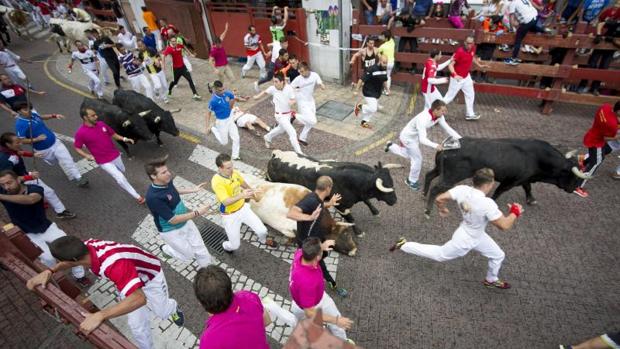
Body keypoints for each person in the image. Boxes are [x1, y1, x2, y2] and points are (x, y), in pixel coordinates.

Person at [26, 235, 184, 349]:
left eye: (60, 261)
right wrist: (50, 271)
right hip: (126, 278)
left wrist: (100, 315)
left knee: (162, 312)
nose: (61, 264)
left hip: (150, 277)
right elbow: (66, 263)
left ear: (74, 260)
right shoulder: (84, 246)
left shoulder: (113, 265)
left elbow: (139, 299)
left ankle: (173, 307)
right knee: (136, 325)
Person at [389, 168, 523, 289]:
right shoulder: (487, 204)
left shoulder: (462, 189)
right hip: (464, 240)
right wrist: (515, 212)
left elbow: (440, 198)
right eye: (493, 182)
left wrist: (443, 209)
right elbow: (504, 226)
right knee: (439, 255)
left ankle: (491, 279)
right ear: (488, 184)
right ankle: (404, 245)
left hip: (474, 233)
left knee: (498, 255)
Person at [0, 171, 86, 282]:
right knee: (48, 258)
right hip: (27, 234)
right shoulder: (4, 192)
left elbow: (30, 200)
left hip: (46, 227)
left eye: (9, 183)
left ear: (18, 180)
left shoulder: (34, 189)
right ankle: (58, 279)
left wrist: (2, 196)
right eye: (2, 185)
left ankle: (80, 276)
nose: (6, 187)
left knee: (70, 250)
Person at [194, 265, 297, 349]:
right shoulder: (249, 297)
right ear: (229, 288)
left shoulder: (209, 340)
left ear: (201, 303)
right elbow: (266, 320)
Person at [144, 157, 213, 268]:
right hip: (171, 230)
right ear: (153, 176)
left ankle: (209, 273)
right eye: (164, 172)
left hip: (186, 221)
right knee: (188, 255)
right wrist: (197, 213)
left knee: (201, 249)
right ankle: (167, 250)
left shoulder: (166, 180)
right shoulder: (153, 197)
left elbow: (173, 191)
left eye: (167, 170)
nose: (169, 174)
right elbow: (173, 220)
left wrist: (193, 189)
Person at [287, 176, 349, 297]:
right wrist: (309, 218)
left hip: (316, 236)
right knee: (321, 265)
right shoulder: (310, 200)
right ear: (328, 188)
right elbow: (291, 213)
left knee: (323, 255)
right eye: (331, 187)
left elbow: (319, 205)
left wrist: (329, 203)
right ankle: (333, 284)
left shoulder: (317, 198)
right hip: (309, 244)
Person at [289, 237, 354, 342]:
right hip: (315, 302)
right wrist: (336, 320)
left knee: (299, 322)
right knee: (337, 325)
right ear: (317, 257)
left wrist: (321, 247)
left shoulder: (300, 253)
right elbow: (310, 312)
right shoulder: (308, 281)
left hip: (297, 303)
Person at [385, 99, 460, 190]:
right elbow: (423, 139)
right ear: (435, 110)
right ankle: (411, 181)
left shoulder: (439, 116)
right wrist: (435, 145)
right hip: (408, 138)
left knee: (407, 154)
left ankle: (391, 146)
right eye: (443, 111)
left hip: (414, 137)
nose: (445, 113)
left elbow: (448, 129)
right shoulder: (423, 119)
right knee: (417, 159)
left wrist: (461, 139)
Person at [211, 153, 278, 253]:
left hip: (243, 208)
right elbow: (225, 202)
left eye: (232, 166)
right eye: (228, 168)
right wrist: (242, 195)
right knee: (235, 246)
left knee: (262, 231)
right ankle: (226, 246)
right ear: (220, 168)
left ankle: (263, 241)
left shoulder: (234, 173)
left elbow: (242, 182)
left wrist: (252, 190)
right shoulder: (217, 182)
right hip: (229, 215)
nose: (232, 169)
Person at [74, 108, 143, 203]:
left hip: (115, 155)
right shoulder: (80, 133)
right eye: (93, 116)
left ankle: (123, 180)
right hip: (103, 161)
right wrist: (86, 155)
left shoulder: (101, 124)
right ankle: (138, 197)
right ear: (85, 117)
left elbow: (113, 134)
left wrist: (125, 139)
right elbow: (77, 147)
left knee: (122, 170)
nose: (96, 117)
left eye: (95, 114)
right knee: (120, 178)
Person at [0, 132, 75, 219]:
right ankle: (59, 212)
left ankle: (60, 211)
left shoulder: (8, 149)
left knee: (47, 192)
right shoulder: (5, 160)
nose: (20, 144)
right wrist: (29, 177)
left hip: (24, 175)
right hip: (19, 182)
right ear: (8, 144)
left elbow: (19, 152)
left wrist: (32, 154)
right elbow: (10, 179)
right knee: (44, 194)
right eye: (17, 142)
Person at [13, 101, 88, 187]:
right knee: (53, 161)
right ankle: (56, 161)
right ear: (19, 111)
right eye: (25, 110)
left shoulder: (33, 114)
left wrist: (54, 116)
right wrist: (36, 139)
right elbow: (21, 140)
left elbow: (41, 117)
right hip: (43, 149)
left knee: (68, 160)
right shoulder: (20, 124)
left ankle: (79, 178)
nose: (29, 111)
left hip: (55, 142)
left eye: (29, 108)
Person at [573, 101, 620, 198]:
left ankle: (582, 163)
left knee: (598, 157)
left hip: (591, 135)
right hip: (597, 142)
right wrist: (617, 137)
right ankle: (577, 186)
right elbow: (606, 138)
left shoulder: (605, 107)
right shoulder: (612, 125)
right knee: (596, 163)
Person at [577, 0, 620, 96]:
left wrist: (615, 41)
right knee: (592, 64)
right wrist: (599, 35)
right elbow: (601, 23)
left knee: (604, 67)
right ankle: (582, 85)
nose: (617, 6)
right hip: (604, 41)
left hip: (612, 46)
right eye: (616, 4)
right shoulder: (614, 15)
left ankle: (595, 88)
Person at [442, 36, 490, 120]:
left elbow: (472, 57)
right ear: (464, 42)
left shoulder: (473, 48)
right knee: (449, 97)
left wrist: (480, 65)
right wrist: (455, 74)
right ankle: (433, 111)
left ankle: (470, 114)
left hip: (466, 76)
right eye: (467, 43)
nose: (469, 45)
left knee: (470, 94)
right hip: (457, 78)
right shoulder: (459, 52)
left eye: (471, 43)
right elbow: (450, 65)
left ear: (473, 43)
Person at [254, 72, 304, 154]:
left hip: (287, 114)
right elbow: (265, 92)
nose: (274, 84)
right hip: (279, 115)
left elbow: (293, 99)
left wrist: (292, 102)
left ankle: (267, 137)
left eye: (276, 81)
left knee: (281, 129)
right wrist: (257, 97)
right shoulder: (273, 88)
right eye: (273, 81)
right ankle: (299, 153)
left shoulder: (289, 88)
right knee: (292, 132)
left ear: (282, 82)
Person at [290, 62, 325, 146]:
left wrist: (322, 85)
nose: (301, 73)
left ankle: (302, 138)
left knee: (309, 122)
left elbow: (319, 82)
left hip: (310, 101)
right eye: (300, 71)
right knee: (313, 121)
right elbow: (290, 87)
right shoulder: (298, 78)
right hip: (302, 102)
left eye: (302, 71)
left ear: (307, 70)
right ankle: (294, 115)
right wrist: (295, 95)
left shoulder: (314, 75)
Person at [504, 0, 547, 66]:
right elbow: (531, 4)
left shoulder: (513, 3)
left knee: (518, 39)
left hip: (527, 20)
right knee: (532, 27)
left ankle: (513, 59)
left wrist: (511, 29)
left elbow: (511, 17)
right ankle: (545, 31)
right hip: (534, 17)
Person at [207, 80, 241, 161]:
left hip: (230, 119)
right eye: (220, 90)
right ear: (215, 89)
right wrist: (207, 126)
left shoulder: (227, 93)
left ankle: (235, 156)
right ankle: (213, 129)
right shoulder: (213, 101)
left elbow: (233, 98)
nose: (222, 91)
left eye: (223, 89)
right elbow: (208, 113)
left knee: (236, 138)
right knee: (224, 143)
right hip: (221, 122)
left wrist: (231, 107)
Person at [353, 55, 388, 129]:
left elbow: (384, 80)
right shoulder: (371, 69)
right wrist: (356, 90)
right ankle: (359, 106)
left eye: (386, 63)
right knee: (373, 108)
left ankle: (364, 122)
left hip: (377, 92)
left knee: (371, 109)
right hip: (368, 91)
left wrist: (387, 89)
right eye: (384, 63)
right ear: (379, 61)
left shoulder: (384, 68)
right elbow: (361, 79)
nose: (385, 65)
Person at [377, 30, 395, 95]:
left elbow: (377, 51)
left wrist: (380, 57)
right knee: (388, 76)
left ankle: (384, 89)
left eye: (383, 36)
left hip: (385, 63)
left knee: (383, 76)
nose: (381, 37)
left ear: (386, 38)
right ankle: (387, 90)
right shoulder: (392, 42)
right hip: (391, 63)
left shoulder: (383, 46)